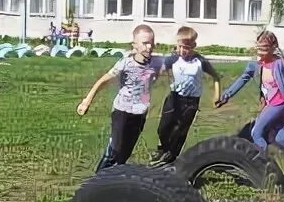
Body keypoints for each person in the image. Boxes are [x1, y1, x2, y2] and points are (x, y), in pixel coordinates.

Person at [216, 31, 284, 185]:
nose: (261, 53)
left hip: (279, 104)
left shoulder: (279, 64)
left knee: (256, 132)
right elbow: (243, 79)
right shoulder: (255, 65)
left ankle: (262, 168)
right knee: (280, 138)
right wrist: (227, 94)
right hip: (270, 104)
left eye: (265, 49)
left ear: (274, 47)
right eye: (259, 49)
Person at [77, 24, 167, 172]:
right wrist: (87, 101)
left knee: (125, 153)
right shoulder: (126, 63)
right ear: (135, 45)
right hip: (122, 111)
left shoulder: (156, 63)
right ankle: (96, 182)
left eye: (152, 42)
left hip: (140, 113)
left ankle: (113, 182)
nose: (149, 46)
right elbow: (103, 80)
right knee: (115, 149)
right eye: (144, 43)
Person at [150, 26, 222, 166]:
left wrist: (217, 95)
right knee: (163, 128)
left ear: (194, 46)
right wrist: (152, 79)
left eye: (186, 47)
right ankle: (163, 149)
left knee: (180, 131)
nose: (183, 50)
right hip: (174, 97)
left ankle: (171, 159)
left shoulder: (200, 61)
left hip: (191, 102)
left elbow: (216, 77)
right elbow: (159, 71)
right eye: (180, 47)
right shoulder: (173, 59)